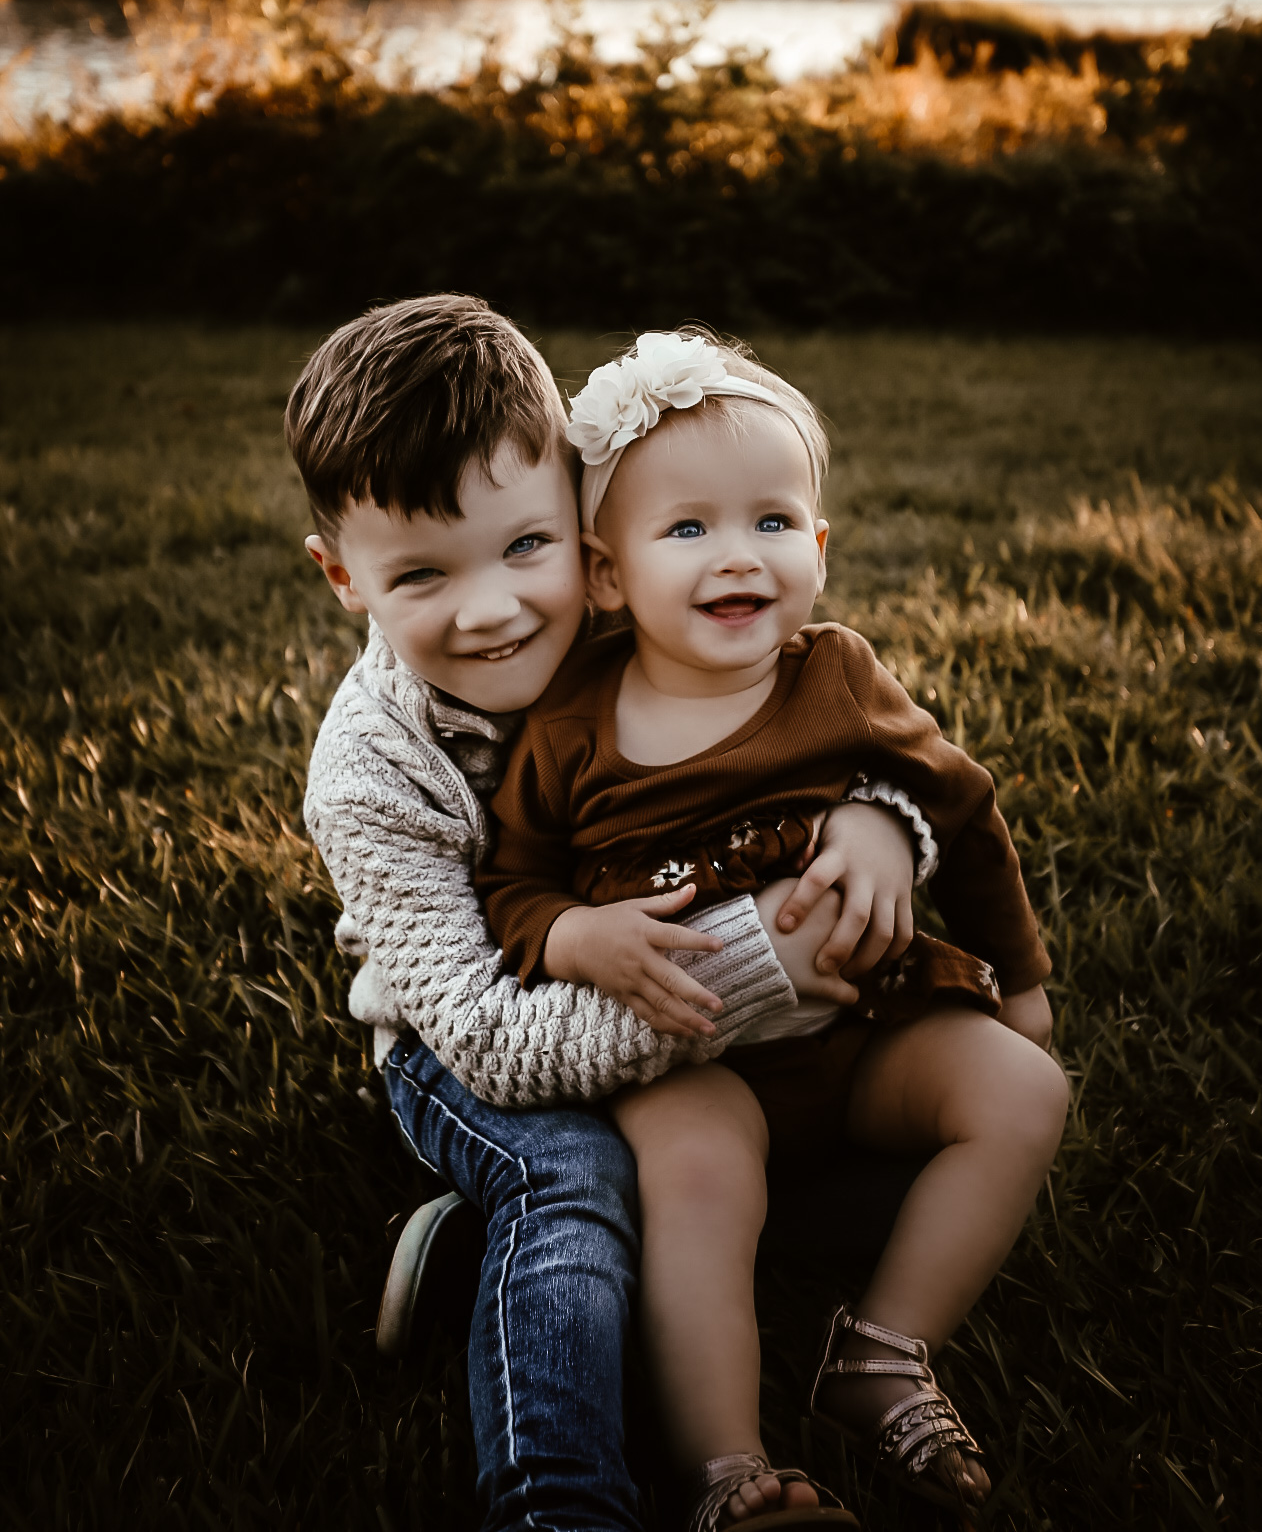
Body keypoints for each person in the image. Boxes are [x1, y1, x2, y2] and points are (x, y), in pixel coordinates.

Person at [287, 297, 924, 1532]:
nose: (492, 611)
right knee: (571, 1176)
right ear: (339, 577)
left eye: (526, 549)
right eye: (420, 574)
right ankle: (560, 1501)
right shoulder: (373, 771)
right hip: (468, 1039)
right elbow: (485, 1036)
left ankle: (478, 1269)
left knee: (858, 1148)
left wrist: (878, 818)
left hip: (695, 1006)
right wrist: (751, 974)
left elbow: (827, 728)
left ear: (584, 529)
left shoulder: (644, 612)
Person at [478, 331, 1070, 1527]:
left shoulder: (836, 677)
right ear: (605, 576)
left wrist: (1018, 980)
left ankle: (882, 1350)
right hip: (688, 1053)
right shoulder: (573, 724)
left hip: (861, 1024)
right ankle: (728, 1466)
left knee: (1019, 1091)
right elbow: (510, 885)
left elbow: (958, 805)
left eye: (770, 522)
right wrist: (572, 938)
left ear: (817, 547)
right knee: (697, 1176)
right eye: (685, 530)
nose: (735, 557)